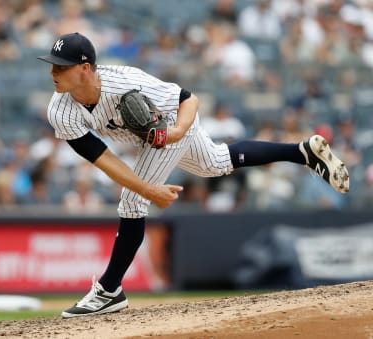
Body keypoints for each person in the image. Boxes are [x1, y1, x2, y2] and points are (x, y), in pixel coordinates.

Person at [37, 32, 350, 318]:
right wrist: (149, 189)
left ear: (86, 68)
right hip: (154, 136)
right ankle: (302, 152)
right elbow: (102, 158)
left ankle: (109, 290)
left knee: (131, 203)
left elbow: (189, 99)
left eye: (61, 67)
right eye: (52, 65)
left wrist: (176, 133)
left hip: (174, 121)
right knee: (213, 163)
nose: (53, 72)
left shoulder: (126, 82)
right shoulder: (60, 111)